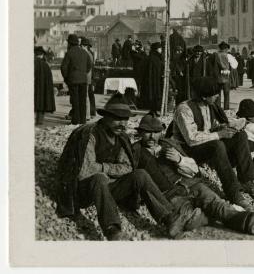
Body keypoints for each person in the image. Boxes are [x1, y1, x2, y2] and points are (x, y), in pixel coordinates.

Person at [55, 94, 200, 240]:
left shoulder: (121, 137)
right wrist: (109, 171)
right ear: (105, 117)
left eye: (125, 119)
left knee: (140, 174)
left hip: (108, 187)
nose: (123, 124)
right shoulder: (91, 134)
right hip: (83, 190)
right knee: (99, 179)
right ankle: (113, 230)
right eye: (118, 118)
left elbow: (127, 167)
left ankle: (169, 219)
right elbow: (85, 171)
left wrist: (104, 168)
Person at [133, 113, 254, 235]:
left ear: (160, 132)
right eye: (147, 132)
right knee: (188, 216)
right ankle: (204, 218)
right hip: (169, 194)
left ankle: (249, 221)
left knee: (217, 204)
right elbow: (135, 179)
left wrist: (179, 160)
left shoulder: (168, 144)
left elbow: (194, 169)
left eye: (156, 132)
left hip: (191, 185)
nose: (152, 136)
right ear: (140, 133)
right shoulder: (136, 151)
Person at [168, 77, 254, 210]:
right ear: (204, 96)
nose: (217, 96)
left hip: (204, 144)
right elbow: (191, 139)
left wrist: (227, 128)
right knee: (217, 145)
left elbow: (210, 127)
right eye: (214, 94)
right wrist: (219, 135)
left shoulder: (209, 106)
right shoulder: (184, 109)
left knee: (240, 136)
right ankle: (233, 193)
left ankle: (246, 180)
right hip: (187, 150)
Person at [61, 34, 92, 125]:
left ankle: (75, 120)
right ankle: (82, 121)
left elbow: (63, 67)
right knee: (82, 100)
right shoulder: (84, 52)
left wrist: (66, 78)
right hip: (83, 80)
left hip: (73, 80)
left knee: (75, 101)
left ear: (70, 43)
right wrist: (83, 73)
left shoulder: (69, 53)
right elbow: (89, 65)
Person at [34, 46, 55, 126]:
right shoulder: (45, 65)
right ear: (42, 55)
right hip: (43, 89)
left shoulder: (32, 63)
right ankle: (40, 120)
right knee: (41, 103)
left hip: (34, 88)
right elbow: (49, 79)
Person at [144, 42, 164, 115]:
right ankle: (152, 110)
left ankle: (154, 110)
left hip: (157, 79)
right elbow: (149, 70)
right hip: (152, 80)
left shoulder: (159, 57)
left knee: (156, 95)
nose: (161, 49)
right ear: (156, 49)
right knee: (153, 95)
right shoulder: (152, 58)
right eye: (159, 48)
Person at [212, 41, 232, 110]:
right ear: (225, 48)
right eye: (226, 48)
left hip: (217, 77)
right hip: (225, 77)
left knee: (218, 95)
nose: (227, 50)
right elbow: (226, 67)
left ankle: (218, 108)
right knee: (226, 94)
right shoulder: (225, 55)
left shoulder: (215, 55)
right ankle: (226, 109)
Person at [81, 38, 97, 120]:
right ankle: (91, 113)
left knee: (87, 96)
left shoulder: (87, 54)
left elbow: (89, 67)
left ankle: (88, 114)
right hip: (90, 77)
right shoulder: (90, 53)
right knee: (90, 95)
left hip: (87, 77)